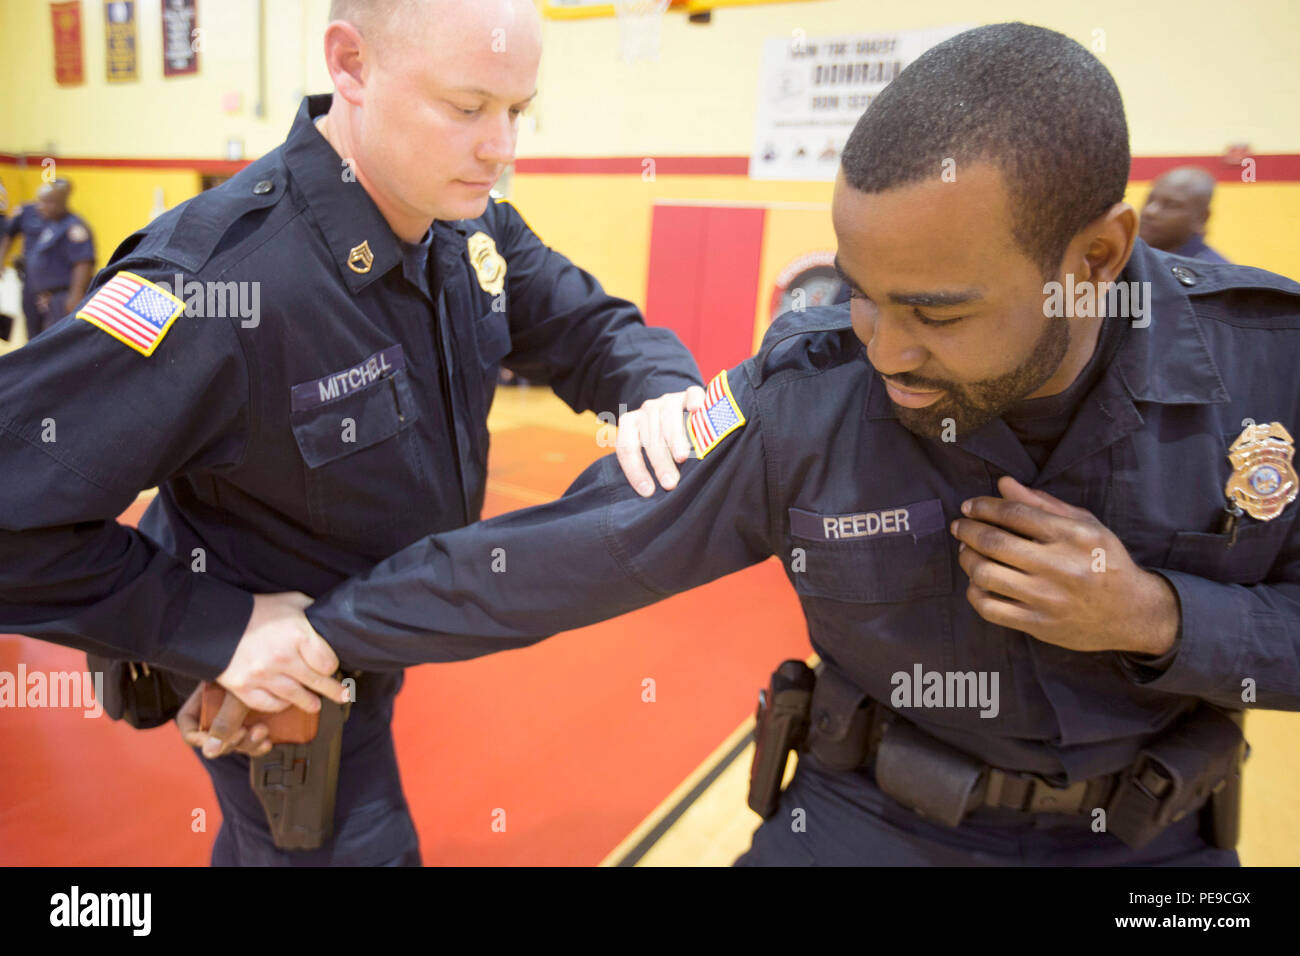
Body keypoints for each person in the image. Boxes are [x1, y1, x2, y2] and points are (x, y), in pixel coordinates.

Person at [300, 23, 1300, 865]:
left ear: (1092, 259)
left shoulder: (1269, 371)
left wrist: (1160, 616)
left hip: (1158, 844)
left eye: (935, 312)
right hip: (867, 823)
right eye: (858, 291)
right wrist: (298, 639)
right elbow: (557, 559)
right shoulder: (808, 393)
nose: (885, 347)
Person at [0, 0, 703, 865]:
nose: (503, 148)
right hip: (281, 686)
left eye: (518, 110)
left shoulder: (467, 228)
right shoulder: (221, 285)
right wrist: (213, 627)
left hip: (371, 645)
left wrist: (661, 393)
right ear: (351, 65)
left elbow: (594, 329)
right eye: (468, 106)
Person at [0, 179, 96, 341]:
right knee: (35, 338)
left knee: (56, 341)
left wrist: (75, 296)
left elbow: (82, 264)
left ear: (56, 203)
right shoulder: (49, 223)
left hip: (60, 296)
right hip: (39, 293)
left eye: (44, 203)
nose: (39, 206)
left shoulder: (74, 227)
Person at [1138, 166, 1230, 263]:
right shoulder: (1131, 261)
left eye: (1171, 205)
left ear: (1201, 218)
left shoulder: (1216, 274)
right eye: (1149, 200)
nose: (1149, 211)